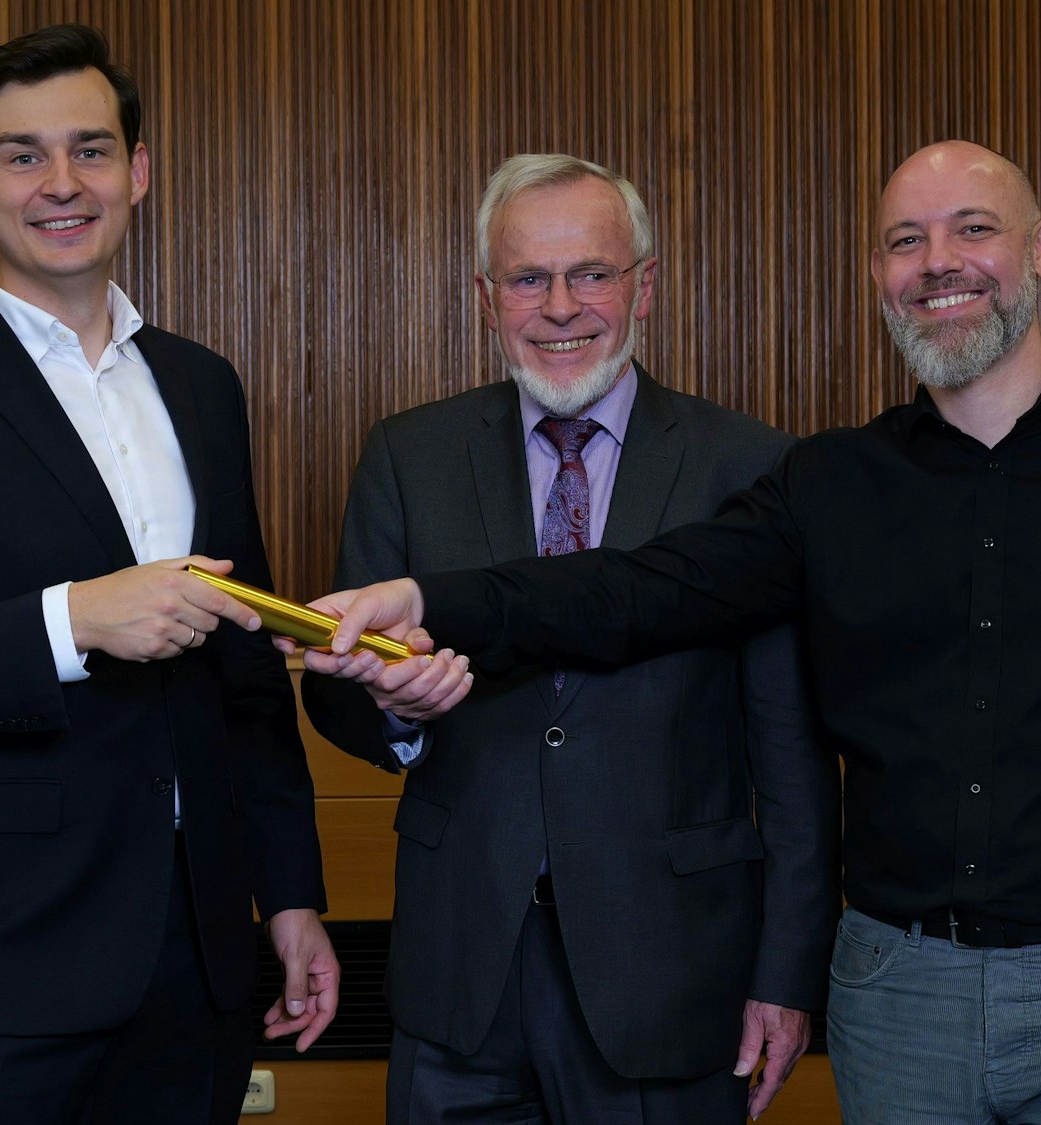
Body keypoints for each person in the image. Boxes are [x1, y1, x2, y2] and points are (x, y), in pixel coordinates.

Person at [307, 140, 1041, 1124]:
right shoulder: (830, 485)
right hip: (896, 991)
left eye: (972, 229)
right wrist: (429, 603)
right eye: (903, 240)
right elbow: (637, 590)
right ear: (878, 274)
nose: (936, 262)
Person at [0, 23, 337, 1125]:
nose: (60, 184)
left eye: (90, 150)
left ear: (138, 171)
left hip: (194, 966)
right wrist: (69, 623)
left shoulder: (199, 385)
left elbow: (244, 679)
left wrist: (288, 896)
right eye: (21, 154)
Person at [297, 153, 837, 1123]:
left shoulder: (749, 468)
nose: (559, 307)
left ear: (644, 286)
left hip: (671, 975)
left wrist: (787, 974)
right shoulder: (408, 456)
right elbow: (333, 689)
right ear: (482, 295)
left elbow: (790, 756)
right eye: (525, 278)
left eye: (589, 273)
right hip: (459, 971)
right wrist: (391, 709)